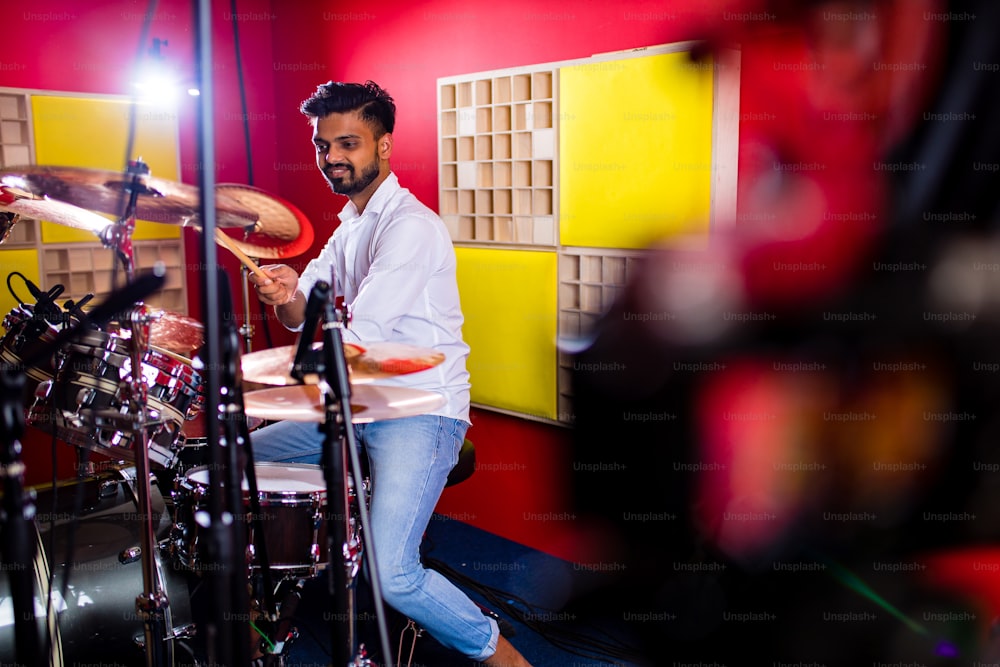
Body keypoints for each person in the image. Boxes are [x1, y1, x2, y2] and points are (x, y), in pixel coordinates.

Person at [248, 80, 532, 667]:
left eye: (348, 143)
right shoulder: (350, 225)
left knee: (395, 573)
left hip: (422, 410)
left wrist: (292, 372)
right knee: (244, 459)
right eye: (324, 146)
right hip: (363, 401)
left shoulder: (410, 227)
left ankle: (503, 655)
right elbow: (305, 309)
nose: (333, 158)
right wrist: (284, 291)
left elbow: (358, 339)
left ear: (384, 145)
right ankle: (298, 581)